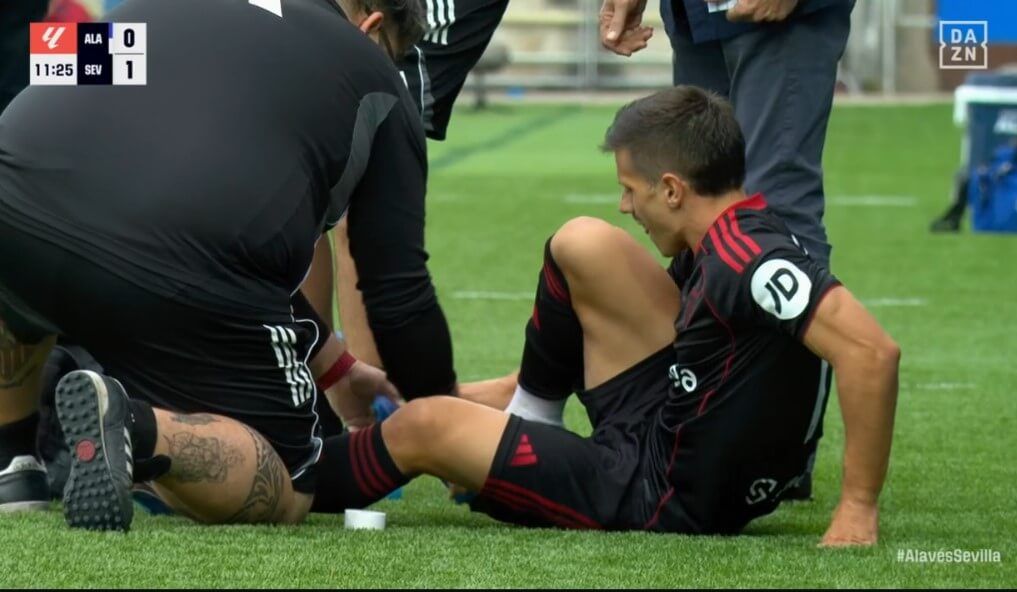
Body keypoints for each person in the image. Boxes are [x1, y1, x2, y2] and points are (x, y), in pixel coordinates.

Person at [312, 87, 900, 546]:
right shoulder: (725, 236)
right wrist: (482, 398)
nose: (626, 205)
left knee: (427, 429)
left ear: (671, 189)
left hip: (661, 492)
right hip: (671, 422)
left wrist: (857, 508)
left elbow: (872, 353)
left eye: (630, 189)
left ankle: (295, 472)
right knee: (583, 241)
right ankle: (529, 416)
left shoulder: (750, 261)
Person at [0, 0, 455, 528]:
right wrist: (439, 409)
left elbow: (53, 76)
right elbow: (399, 296)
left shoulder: (162, 8)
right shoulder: (372, 73)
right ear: (372, 25)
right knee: (288, 484)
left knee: (19, 238)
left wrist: (332, 363)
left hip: (14, 198)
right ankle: (135, 427)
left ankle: (13, 462)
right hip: (173, 266)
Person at [600, 0, 855, 499]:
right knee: (694, 205)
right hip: (695, 13)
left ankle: (781, 450)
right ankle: (701, 422)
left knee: (778, 213)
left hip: (786, 17)